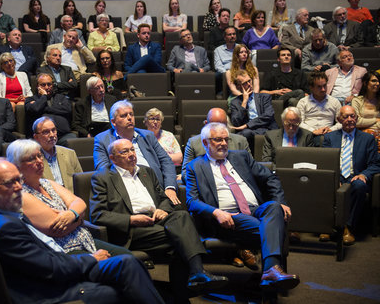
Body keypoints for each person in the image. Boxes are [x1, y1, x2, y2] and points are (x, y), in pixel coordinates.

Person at [0, 158, 165, 304]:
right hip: (49, 290)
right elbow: (51, 266)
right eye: (9, 183)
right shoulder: (4, 227)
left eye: (18, 180)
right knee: (124, 277)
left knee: (126, 262)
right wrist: (92, 258)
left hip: (53, 268)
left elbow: (76, 209)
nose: (18, 188)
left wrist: (74, 216)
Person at [90, 139, 229, 303]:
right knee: (182, 240)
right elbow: (98, 214)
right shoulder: (102, 178)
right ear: (113, 158)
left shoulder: (146, 172)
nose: (131, 155)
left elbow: (163, 199)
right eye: (124, 152)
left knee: (182, 215)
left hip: (156, 221)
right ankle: (193, 278)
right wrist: (131, 219)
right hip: (132, 230)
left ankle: (191, 280)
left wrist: (162, 209)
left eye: (132, 150)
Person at [185, 123, 300, 291]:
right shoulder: (195, 166)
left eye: (226, 139)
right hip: (228, 217)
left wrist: (281, 201)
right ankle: (272, 270)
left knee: (274, 207)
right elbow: (191, 201)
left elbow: (270, 178)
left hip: (255, 210)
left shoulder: (241, 157)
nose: (224, 143)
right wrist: (216, 212)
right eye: (218, 139)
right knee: (275, 228)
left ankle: (269, 272)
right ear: (205, 143)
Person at [6, 139, 130, 257]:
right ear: (16, 165)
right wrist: (79, 218)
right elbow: (56, 229)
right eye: (32, 159)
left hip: (86, 240)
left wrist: (72, 214)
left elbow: (79, 202)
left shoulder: (48, 183)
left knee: (128, 256)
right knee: (119, 265)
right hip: (61, 251)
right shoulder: (20, 194)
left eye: (40, 156)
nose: (39, 161)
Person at [94, 100, 180, 204]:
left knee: (182, 215)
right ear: (113, 122)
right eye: (124, 116)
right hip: (127, 194)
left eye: (131, 114)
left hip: (157, 190)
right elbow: (103, 169)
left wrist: (170, 187)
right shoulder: (103, 140)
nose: (129, 118)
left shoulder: (147, 136)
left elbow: (166, 161)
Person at [322, 105, 380, 245]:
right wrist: (335, 178)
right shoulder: (330, 138)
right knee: (324, 184)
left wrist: (364, 175)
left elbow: (375, 164)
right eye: (345, 117)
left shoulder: (368, 139)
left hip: (356, 176)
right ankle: (327, 227)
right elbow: (325, 162)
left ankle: (347, 227)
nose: (349, 119)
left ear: (357, 118)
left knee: (360, 186)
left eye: (352, 116)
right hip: (337, 175)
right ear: (338, 119)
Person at [181, 107, 251, 182]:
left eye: (223, 125)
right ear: (206, 124)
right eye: (215, 126)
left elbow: (250, 168)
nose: (219, 129)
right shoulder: (193, 143)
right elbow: (186, 173)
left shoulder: (240, 141)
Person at [32, 116, 83, 191]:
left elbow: (81, 182)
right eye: (46, 132)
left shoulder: (69, 153)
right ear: (36, 137)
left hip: (72, 199)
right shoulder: (32, 159)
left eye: (53, 130)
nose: (52, 135)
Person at [230, 70, 278, 148]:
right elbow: (236, 122)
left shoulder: (264, 97)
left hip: (266, 128)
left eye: (249, 81)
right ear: (238, 87)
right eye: (245, 83)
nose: (249, 84)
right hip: (250, 131)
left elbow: (269, 115)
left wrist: (247, 125)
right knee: (243, 134)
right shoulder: (235, 102)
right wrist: (244, 102)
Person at [25, 73, 75, 145]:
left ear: (53, 85)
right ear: (37, 86)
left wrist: (45, 109)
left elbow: (67, 110)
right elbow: (35, 109)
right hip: (41, 137)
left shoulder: (61, 97)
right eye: (43, 85)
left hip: (63, 136)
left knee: (72, 139)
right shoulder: (30, 99)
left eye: (49, 84)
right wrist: (44, 96)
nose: (46, 87)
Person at [296, 71, 342, 142]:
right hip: (308, 134)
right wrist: (313, 131)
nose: (323, 89)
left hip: (328, 134)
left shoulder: (334, 102)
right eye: (319, 87)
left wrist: (331, 129)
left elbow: (341, 122)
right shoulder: (303, 102)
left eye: (324, 86)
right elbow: (298, 122)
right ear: (311, 88)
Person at [351, 71, 380, 151]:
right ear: (365, 83)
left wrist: (370, 125)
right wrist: (376, 120)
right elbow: (356, 122)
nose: (377, 84)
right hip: (362, 134)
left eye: (379, 81)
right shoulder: (357, 101)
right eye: (374, 81)